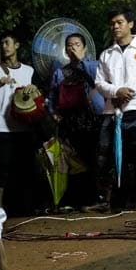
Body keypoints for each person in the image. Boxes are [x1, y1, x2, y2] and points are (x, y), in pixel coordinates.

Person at [91, 5, 136, 211]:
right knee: (106, 157)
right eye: (112, 24)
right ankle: (107, 201)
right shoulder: (106, 54)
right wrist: (116, 91)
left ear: (130, 24)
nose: (115, 27)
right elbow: (99, 83)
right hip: (112, 112)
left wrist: (128, 93)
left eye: (119, 22)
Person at [47, 33, 104, 209]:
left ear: (85, 48)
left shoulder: (94, 66)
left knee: (94, 159)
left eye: (77, 44)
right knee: (73, 161)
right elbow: (52, 96)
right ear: (65, 50)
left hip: (92, 120)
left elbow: (99, 81)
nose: (73, 48)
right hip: (69, 122)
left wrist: (81, 62)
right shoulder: (60, 72)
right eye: (70, 45)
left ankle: (95, 198)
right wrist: (53, 113)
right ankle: (74, 200)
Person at [0, 32, 38, 212]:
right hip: (1, 127)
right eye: (2, 43)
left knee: (24, 168)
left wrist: (34, 88)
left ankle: (24, 207)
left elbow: (38, 96)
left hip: (24, 127)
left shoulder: (29, 71)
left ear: (17, 45)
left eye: (7, 42)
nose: (4, 46)